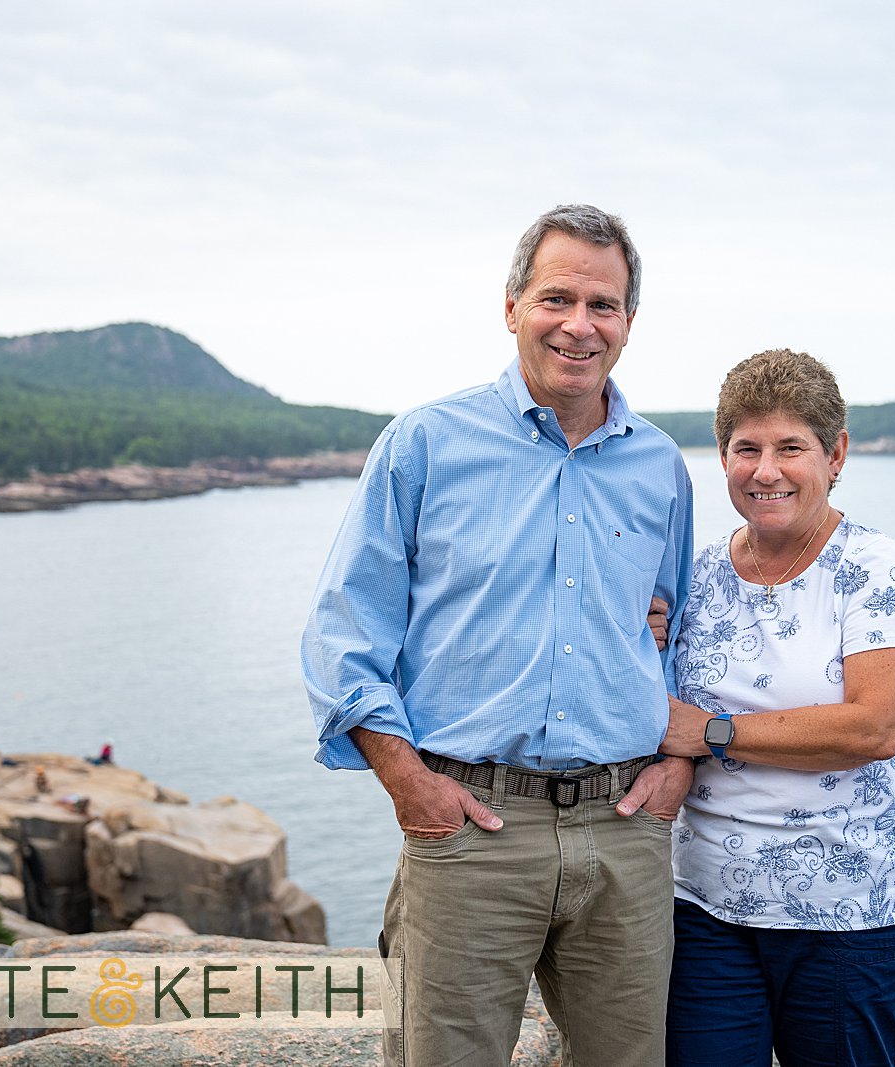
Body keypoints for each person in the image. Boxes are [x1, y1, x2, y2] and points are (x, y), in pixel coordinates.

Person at [301, 204, 696, 1067]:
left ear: (629, 323)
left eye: (605, 305)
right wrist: (410, 784)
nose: (579, 325)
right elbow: (344, 632)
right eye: (558, 297)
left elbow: (682, 633)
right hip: (470, 828)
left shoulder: (660, 465)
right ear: (512, 304)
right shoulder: (426, 442)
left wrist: (681, 764)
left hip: (626, 830)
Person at [661, 349, 895, 1067]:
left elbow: (878, 724)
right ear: (722, 456)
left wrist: (715, 733)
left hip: (850, 915)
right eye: (745, 448)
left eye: (791, 447)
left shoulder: (873, 567)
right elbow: (657, 713)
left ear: (836, 453)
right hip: (706, 911)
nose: (766, 470)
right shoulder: (696, 574)